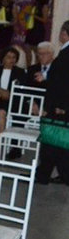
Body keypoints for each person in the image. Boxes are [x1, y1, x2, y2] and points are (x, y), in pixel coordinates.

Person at [36, 20, 69, 184]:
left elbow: (62, 83)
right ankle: (46, 173)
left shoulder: (66, 54)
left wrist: (61, 107)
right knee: (54, 142)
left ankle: (49, 174)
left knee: (56, 141)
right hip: (60, 105)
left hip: (59, 105)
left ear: (64, 34)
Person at [24, 0, 50, 65]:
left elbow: (45, 20)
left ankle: (36, 68)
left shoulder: (44, 6)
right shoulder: (35, 5)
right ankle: (28, 67)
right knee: (27, 48)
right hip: (31, 28)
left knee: (37, 51)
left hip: (38, 30)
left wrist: (33, 15)